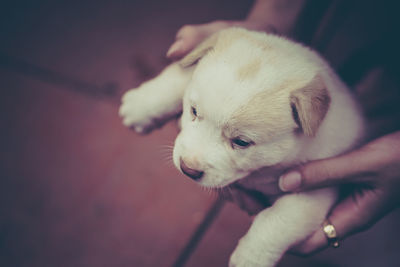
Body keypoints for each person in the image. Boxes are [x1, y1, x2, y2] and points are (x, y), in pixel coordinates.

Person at [165, 0, 400, 256]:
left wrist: (261, 248)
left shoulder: (322, 140)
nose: (191, 161)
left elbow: (311, 202)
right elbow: (197, 79)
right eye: (195, 113)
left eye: (240, 141)